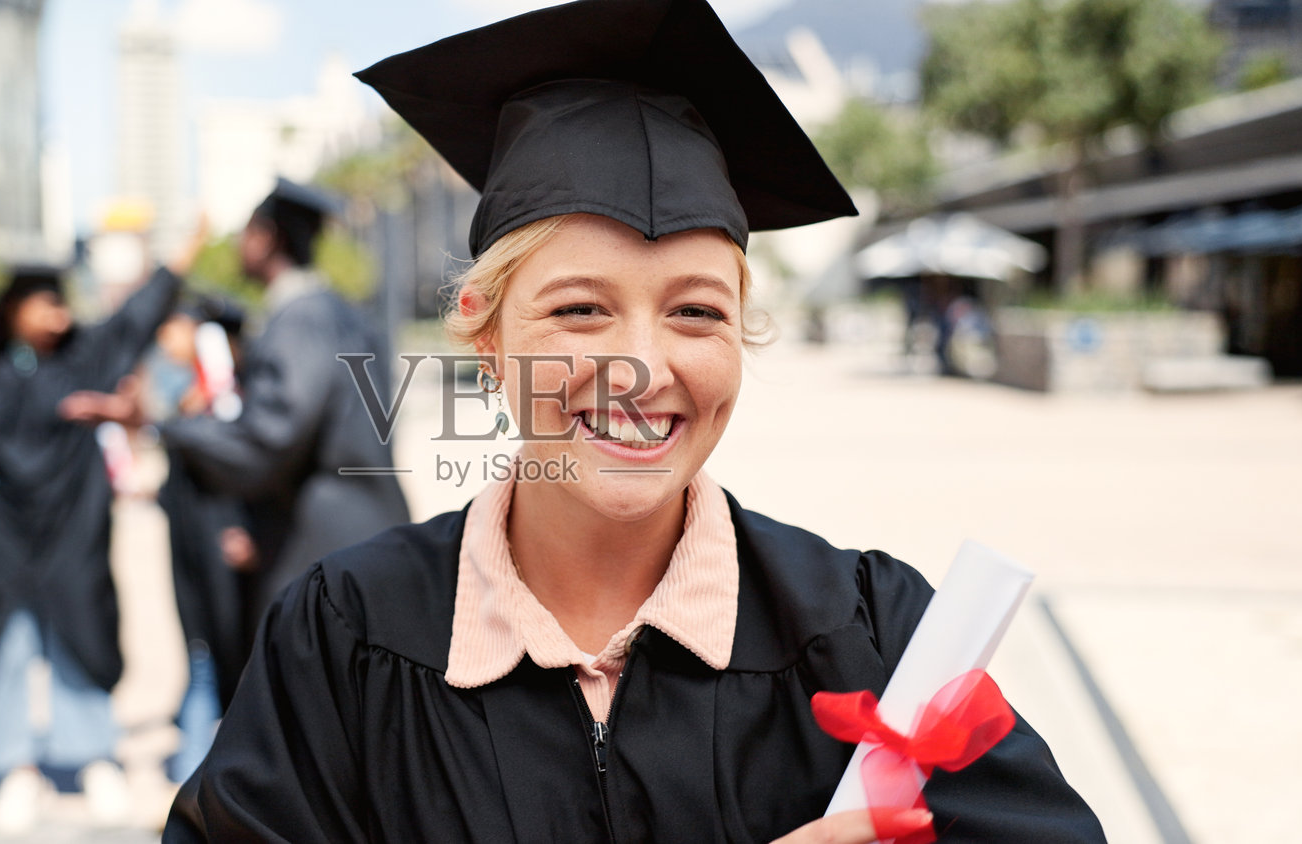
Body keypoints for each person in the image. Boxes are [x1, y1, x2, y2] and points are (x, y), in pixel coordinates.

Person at [164, 1, 1106, 842]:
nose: (644, 370)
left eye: (696, 311)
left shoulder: (873, 635)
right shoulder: (345, 636)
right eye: (580, 310)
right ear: (486, 339)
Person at [0, 259, 182, 832]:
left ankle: (93, 756)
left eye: (61, 303)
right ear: (12, 308)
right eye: (43, 303)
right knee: (6, 644)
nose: (58, 315)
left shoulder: (85, 359)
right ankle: (14, 765)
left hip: (72, 530)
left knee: (80, 636)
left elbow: (136, 317)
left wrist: (175, 264)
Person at [73, 179, 412, 662]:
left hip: (326, 551)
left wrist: (159, 424)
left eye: (245, 233)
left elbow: (268, 438)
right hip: (369, 535)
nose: (238, 245)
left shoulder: (301, 320)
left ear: (267, 238)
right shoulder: (347, 315)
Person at [148, 296, 259, 782]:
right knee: (200, 646)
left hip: (226, 545)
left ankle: (199, 769)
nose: (164, 340)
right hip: (192, 545)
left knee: (220, 651)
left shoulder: (233, 396)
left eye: (173, 328)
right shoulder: (181, 391)